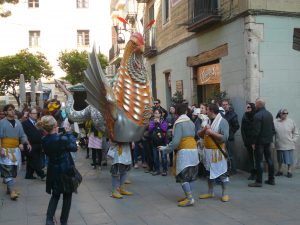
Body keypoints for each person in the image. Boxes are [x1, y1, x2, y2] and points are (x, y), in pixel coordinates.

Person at [158, 103, 199, 207]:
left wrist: (166, 148)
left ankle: (190, 198)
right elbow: (194, 135)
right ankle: (188, 195)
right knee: (190, 175)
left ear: (177, 113)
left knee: (183, 176)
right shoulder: (191, 122)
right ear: (185, 112)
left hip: (184, 151)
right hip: (193, 150)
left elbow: (176, 142)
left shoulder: (179, 123)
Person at [41, 115, 78, 225]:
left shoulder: (44, 139)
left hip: (53, 169)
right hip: (65, 170)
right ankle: (63, 221)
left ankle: (49, 219)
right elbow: (74, 148)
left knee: (55, 195)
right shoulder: (62, 138)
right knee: (67, 195)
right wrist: (69, 133)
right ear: (55, 126)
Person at [198, 103, 230, 202]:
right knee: (209, 173)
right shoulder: (206, 121)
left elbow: (225, 138)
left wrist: (212, 133)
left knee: (222, 173)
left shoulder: (223, 121)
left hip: (218, 152)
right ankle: (210, 192)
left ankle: (225, 193)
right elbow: (199, 134)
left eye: (207, 110)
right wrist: (204, 130)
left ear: (211, 111)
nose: (205, 111)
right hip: (207, 152)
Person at [0, 104, 32, 200]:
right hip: (5, 150)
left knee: (13, 170)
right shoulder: (2, 123)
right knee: (7, 169)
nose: (12, 111)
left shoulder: (18, 122)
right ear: (5, 112)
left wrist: (27, 143)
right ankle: (12, 191)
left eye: (13, 109)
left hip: (15, 150)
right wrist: (0, 148)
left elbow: (22, 135)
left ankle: (9, 189)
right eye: (10, 110)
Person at [249, 98, 275, 187]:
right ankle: (271, 179)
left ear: (259, 104)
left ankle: (259, 181)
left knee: (259, 161)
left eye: (256, 104)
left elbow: (256, 131)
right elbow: (273, 129)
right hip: (268, 141)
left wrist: (253, 142)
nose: (255, 106)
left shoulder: (257, 116)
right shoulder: (269, 114)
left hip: (259, 142)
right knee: (269, 159)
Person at [22, 107, 46, 180]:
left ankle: (29, 175)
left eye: (36, 113)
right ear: (30, 114)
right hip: (30, 145)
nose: (36, 115)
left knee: (31, 161)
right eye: (34, 113)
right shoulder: (25, 123)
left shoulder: (38, 123)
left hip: (38, 145)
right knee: (35, 160)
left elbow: (41, 133)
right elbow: (23, 135)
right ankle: (42, 175)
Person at [274, 109, 299, 178]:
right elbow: (272, 132)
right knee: (280, 159)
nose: (285, 114)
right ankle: (280, 170)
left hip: (289, 144)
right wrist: (273, 142)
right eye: (284, 113)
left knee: (289, 158)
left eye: (287, 113)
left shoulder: (291, 121)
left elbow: (296, 132)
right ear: (280, 114)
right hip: (279, 143)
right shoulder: (275, 122)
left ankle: (289, 171)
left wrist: (293, 140)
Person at [222, 100, 240, 174]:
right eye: (223, 105)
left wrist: (231, 132)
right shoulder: (222, 114)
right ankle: (227, 169)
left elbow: (236, 126)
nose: (225, 106)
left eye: (226, 104)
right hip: (223, 137)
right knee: (225, 154)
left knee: (231, 154)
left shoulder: (233, 114)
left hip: (229, 138)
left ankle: (233, 170)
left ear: (229, 105)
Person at [149, 109, 168, 176]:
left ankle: (165, 170)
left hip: (162, 141)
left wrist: (159, 123)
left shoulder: (164, 121)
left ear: (160, 114)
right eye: (155, 113)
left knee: (163, 157)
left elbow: (165, 129)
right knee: (155, 157)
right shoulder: (151, 121)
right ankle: (157, 170)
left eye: (158, 113)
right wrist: (154, 123)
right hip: (154, 141)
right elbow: (150, 129)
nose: (156, 115)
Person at [241, 103, 256, 180]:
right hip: (248, 140)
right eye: (247, 107)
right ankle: (252, 173)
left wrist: (254, 141)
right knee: (250, 158)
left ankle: (257, 172)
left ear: (252, 107)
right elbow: (242, 129)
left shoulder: (256, 116)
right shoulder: (245, 116)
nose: (247, 108)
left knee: (256, 158)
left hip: (255, 141)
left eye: (249, 107)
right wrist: (245, 140)